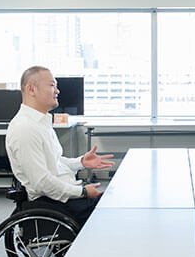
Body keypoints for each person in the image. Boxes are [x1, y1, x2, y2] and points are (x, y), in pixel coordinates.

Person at [6, 65, 114, 226]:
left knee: (114, 201)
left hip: (63, 195)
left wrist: (81, 162)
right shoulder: (25, 128)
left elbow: (54, 162)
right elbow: (42, 182)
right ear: (31, 89)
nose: (57, 91)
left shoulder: (40, 123)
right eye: (52, 85)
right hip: (54, 203)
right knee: (114, 211)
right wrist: (82, 192)